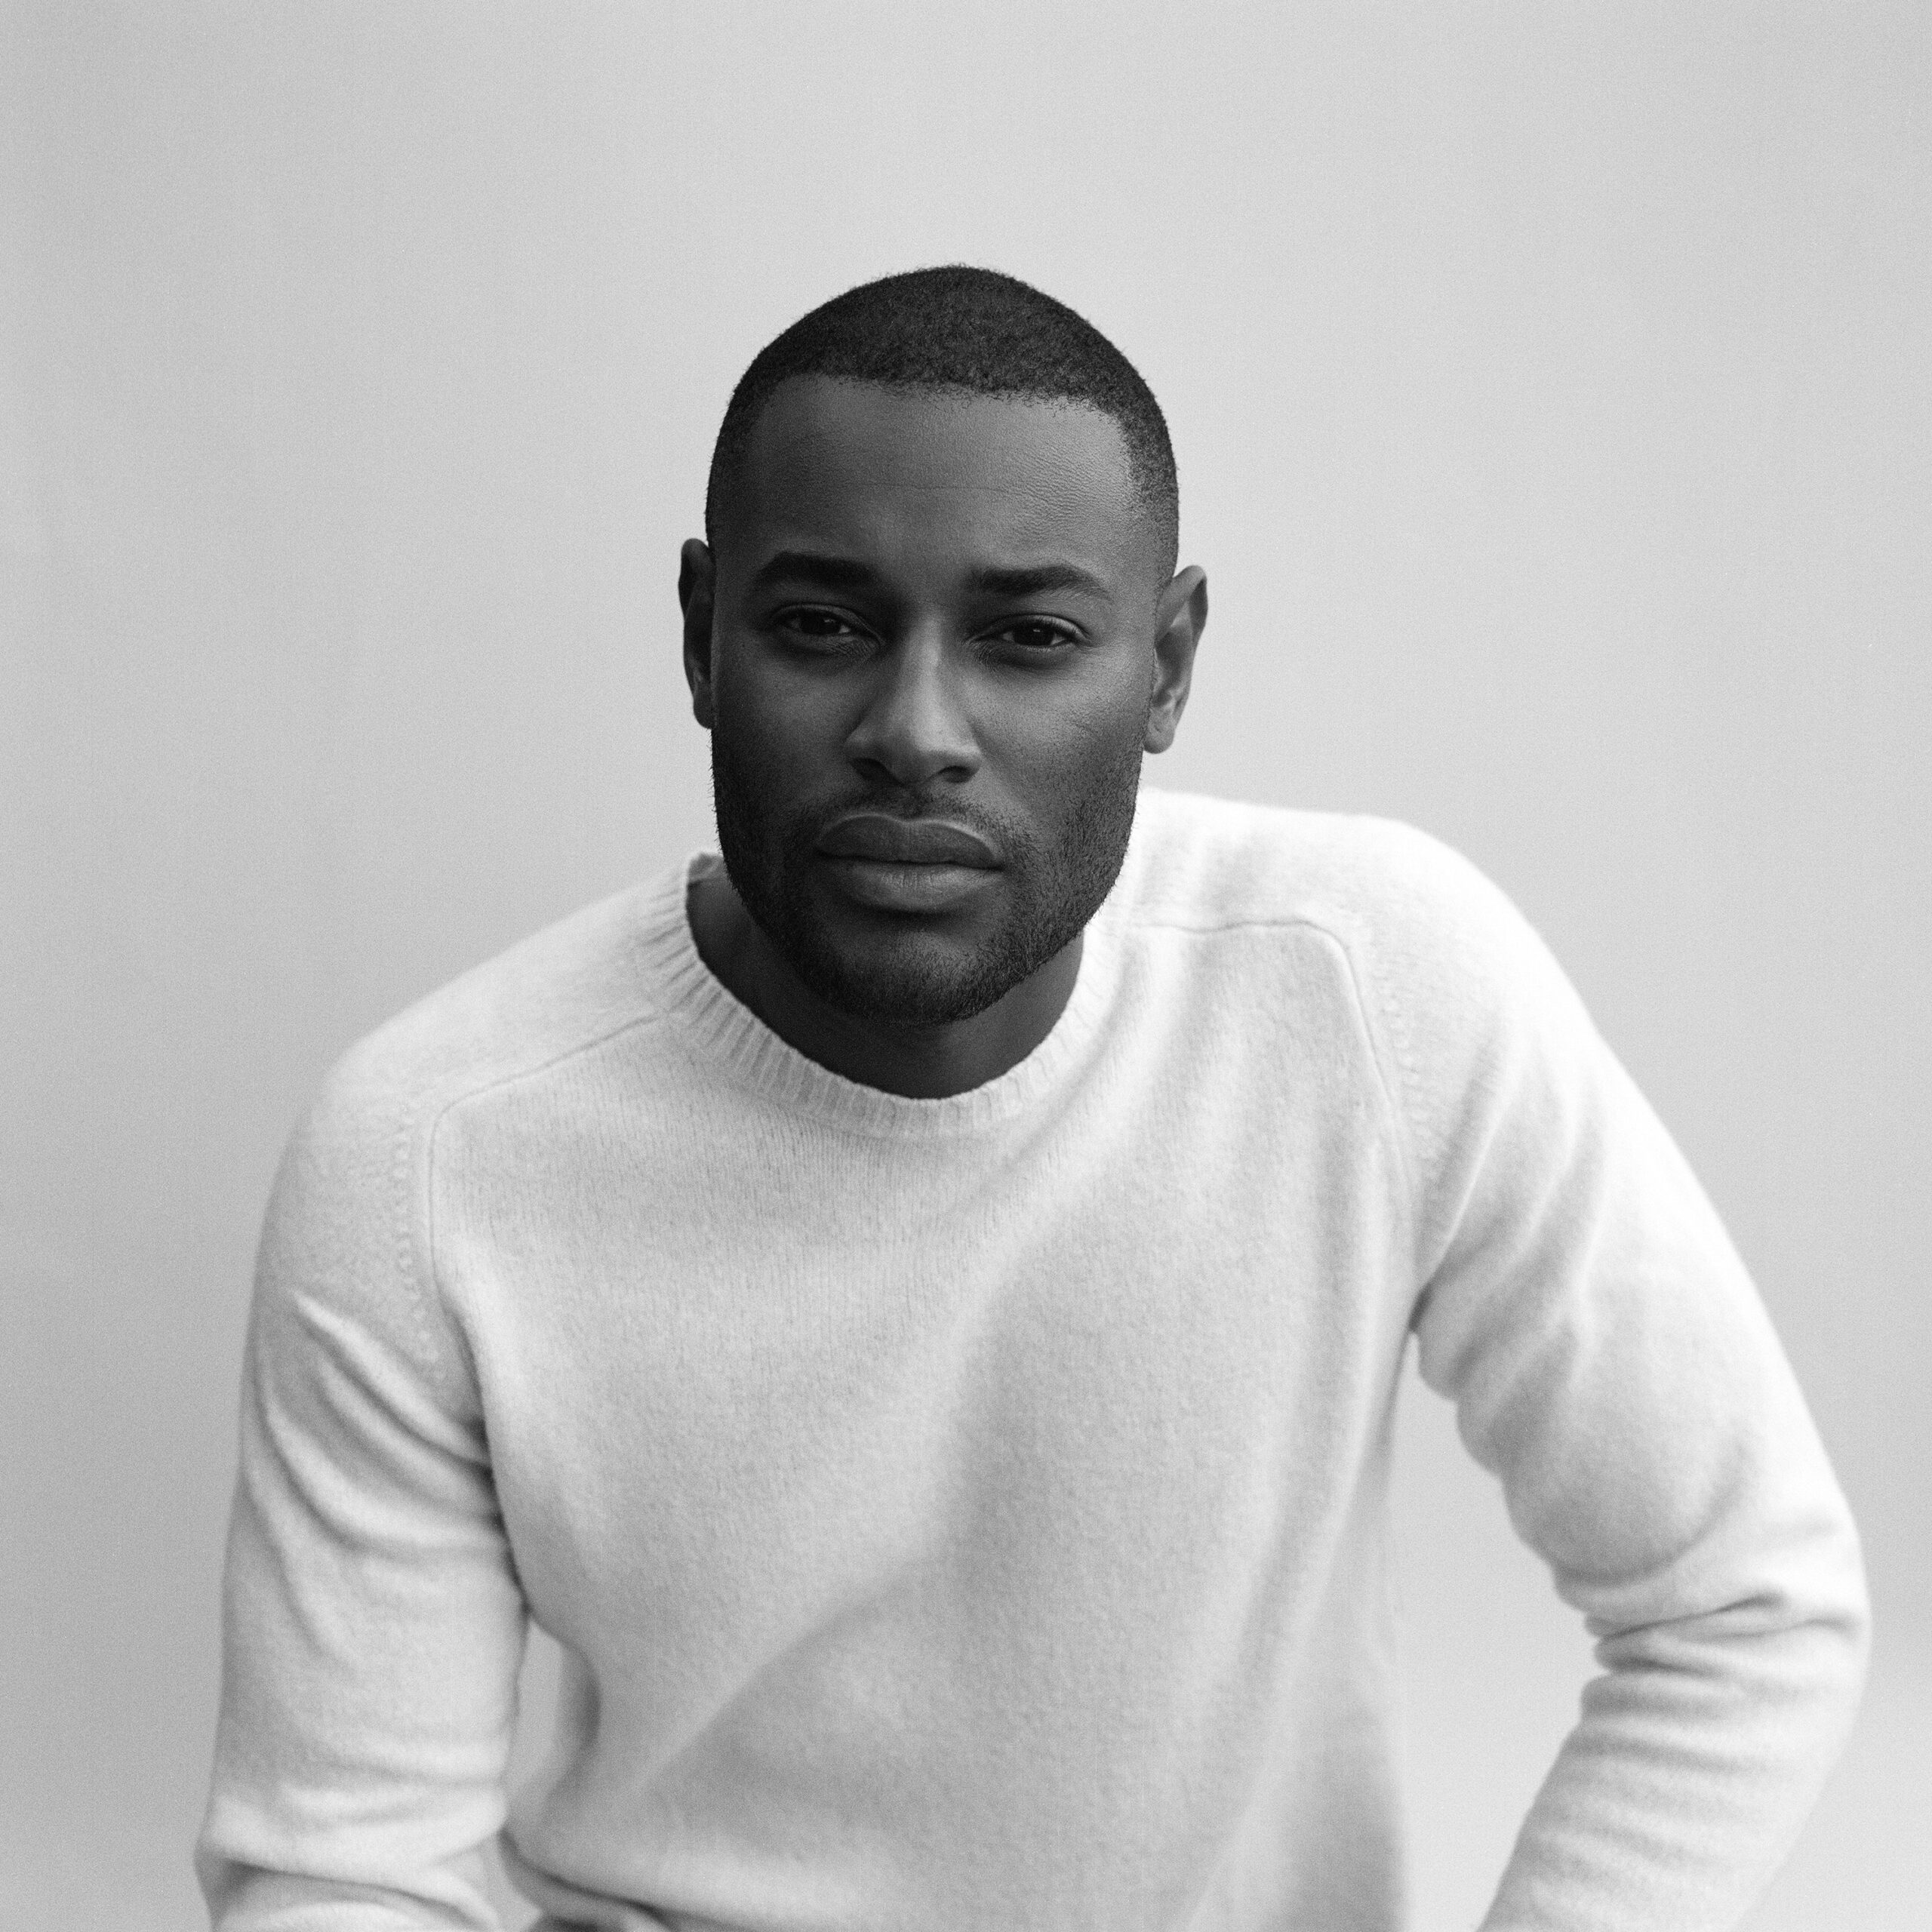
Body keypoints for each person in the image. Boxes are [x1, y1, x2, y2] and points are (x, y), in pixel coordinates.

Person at [195, 266, 1868, 1932]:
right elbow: (344, 1873)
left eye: (1029, 638)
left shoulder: (1368, 992)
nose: (916, 732)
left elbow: (1743, 1607)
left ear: (1168, 665)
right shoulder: (431, 1150)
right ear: (701, 634)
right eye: (823, 625)